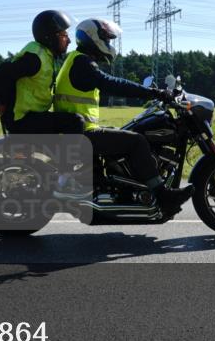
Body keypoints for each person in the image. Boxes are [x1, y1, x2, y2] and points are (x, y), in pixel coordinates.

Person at [53, 17, 194, 220]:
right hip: (81, 133)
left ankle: (124, 184)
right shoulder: (82, 63)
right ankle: (163, 196)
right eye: (106, 40)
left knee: (128, 131)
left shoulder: (77, 60)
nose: (109, 45)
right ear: (93, 38)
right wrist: (153, 92)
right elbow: (112, 83)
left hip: (78, 129)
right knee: (136, 141)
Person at [0, 10, 85, 135]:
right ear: (50, 36)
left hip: (33, 116)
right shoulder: (36, 58)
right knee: (76, 122)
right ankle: (71, 155)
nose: (68, 40)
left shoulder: (48, 56)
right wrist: (1, 102)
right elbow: (3, 72)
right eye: (64, 35)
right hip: (22, 119)